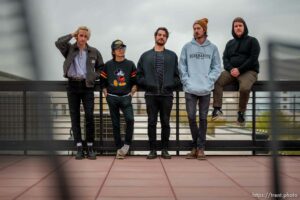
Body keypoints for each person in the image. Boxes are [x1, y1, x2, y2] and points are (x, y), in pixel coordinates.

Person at [55, 26, 104, 160]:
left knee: (89, 116)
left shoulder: (94, 51)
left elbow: (101, 68)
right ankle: (78, 147)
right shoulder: (69, 49)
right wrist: (72, 33)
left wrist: (93, 76)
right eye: (80, 35)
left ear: (88, 38)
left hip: (87, 86)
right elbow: (58, 43)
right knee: (74, 117)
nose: (82, 38)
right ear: (77, 36)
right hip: (72, 85)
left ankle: (90, 146)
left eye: (85, 36)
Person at [179, 18, 221, 160]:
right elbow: (182, 66)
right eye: (194, 28)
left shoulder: (212, 48)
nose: (196, 30)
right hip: (190, 88)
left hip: (206, 88)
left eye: (198, 28)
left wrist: (210, 80)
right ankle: (196, 146)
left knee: (203, 118)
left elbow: (217, 67)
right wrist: (186, 81)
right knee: (191, 117)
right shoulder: (187, 47)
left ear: (204, 30)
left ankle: (200, 148)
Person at [137, 27, 180, 159]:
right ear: (155, 36)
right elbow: (139, 76)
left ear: (166, 38)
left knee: (166, 122)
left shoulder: (172, 56)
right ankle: (152, 150)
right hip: (151, 95)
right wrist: (148, 83)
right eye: (159, 35)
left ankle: (165, 150)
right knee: (151, 122)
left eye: (164, 35)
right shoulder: (145, 56)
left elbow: (177, 76)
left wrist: (170, 85)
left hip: (167, 95)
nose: (161, 37)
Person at [212, 17, 260, 125]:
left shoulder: (253, 41)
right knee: (217, 80)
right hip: (232, 71)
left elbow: (253, 59)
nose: (238, 28)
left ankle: (241, 113)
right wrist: (231, 69)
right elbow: (225, 59)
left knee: (244, 88)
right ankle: (217, 109)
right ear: (233, 28)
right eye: (235, 26)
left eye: (240, 26)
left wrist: (240, 69)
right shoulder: (230, 43)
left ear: (244, 27)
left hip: (248, 71)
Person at [100, 40, 137, 159]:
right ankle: (118, 149)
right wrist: (105, 91)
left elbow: (135, 80)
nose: (121, 50)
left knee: (130, 119)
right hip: (112, 98)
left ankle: (126, 145)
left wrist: (133, 90)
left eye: (123, 47)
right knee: (115, 124)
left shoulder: (130, 64)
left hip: (126, 97)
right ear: (113, 51)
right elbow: (102, 80)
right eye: (118, 48)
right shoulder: (108, 65)